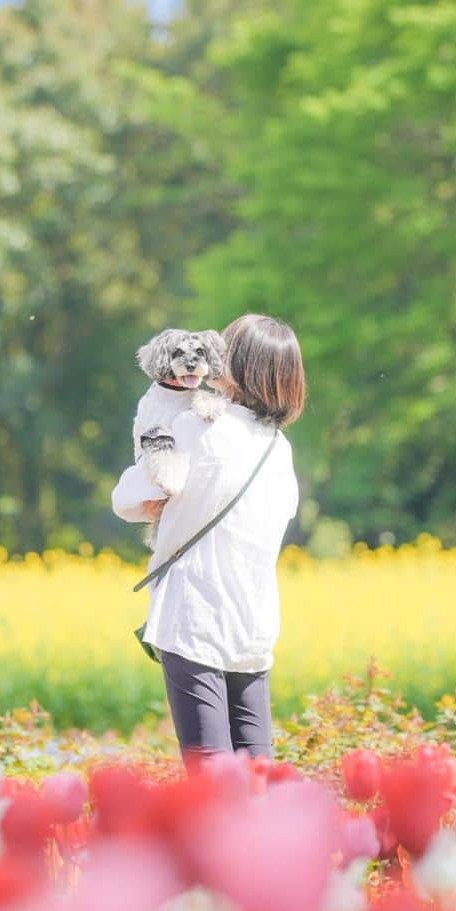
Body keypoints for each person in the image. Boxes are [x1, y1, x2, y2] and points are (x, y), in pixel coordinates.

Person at [111, 314, 305, 762]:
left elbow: (128, 498)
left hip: (195, 618)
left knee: (211, 780)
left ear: (235, 364)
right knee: (259, 774)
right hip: (252, 623)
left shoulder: (198, 427)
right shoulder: (280, 449)